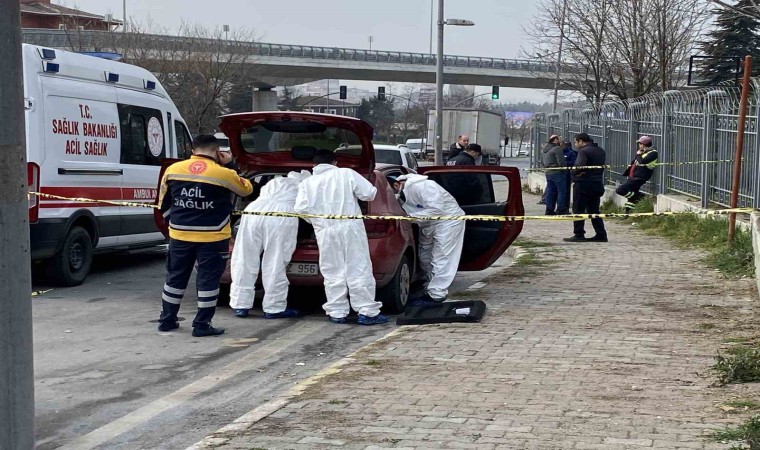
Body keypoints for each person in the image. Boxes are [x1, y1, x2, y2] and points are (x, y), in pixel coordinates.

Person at [157, 135, 254, 337]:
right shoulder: (223, 173)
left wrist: (175, 226)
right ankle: (202, 325)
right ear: (217, 151)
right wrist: (232, 165)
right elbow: (246, 189)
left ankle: (167, 320)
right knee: (208, 282)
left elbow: (163, 205)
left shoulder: (173, 170)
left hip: (180, 235)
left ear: (192, 149)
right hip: (213, 237)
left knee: (174, 278)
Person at [294, 149, 388, 325]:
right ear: (334, 162)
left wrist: (317, 221)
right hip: (350, 227)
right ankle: (367, 312)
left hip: (324, 230)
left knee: (332, 270)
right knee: (358, 268)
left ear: (314, 165)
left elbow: (300, 209)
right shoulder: (346, 173)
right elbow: (369, 194)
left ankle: (337, 312)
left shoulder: (307, 183)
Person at [230, 170, 311, 319]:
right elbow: (305, 209)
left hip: (253, 211)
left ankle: (240, 304)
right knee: (275, 260)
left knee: (244, 257)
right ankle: (274, 307)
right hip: (281, 214)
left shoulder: (274, 182)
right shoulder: (304, 186)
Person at [389, 174, 465, 305]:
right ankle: (430, 286)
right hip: (427, 223)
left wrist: (410, 217)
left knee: (442, 257)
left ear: (396, 184)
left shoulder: (424, 186)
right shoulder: (401, 195)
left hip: (448, 221)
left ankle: (436, 294)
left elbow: (436, 210)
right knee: (425, 257)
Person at [565, 133, 608, 243]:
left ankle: (579, 234)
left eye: (576, 142)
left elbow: (579, 167)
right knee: (594, 210)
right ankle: (601, 233)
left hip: (583, 184)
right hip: (597, 183)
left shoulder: (583, 151)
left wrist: (573, 171)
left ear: (581, 141)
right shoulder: (600, 150)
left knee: (578, 209)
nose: (575, 144)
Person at [617, 136, 658, 212]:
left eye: (640, 144)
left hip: (640, 177)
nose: (639, 146)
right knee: (631, 196)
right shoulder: (643, 153)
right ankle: (627, 211)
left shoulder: (653, 153)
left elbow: (642, 162)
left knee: (620, 190)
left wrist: (638, 154)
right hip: (634, 176)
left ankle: (639, 196)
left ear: (643, 144)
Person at [541, 135, 568, 215]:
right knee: (561, 191)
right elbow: (561, 162)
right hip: (557, 172)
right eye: (558, 139)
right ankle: (560, 209)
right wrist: (564, 170)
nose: (559, 141)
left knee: (550, 191)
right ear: (555, 140)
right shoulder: (557, 149)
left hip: (548, 172)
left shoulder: (544, 150)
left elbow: (542, 162)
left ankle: (549, 209)